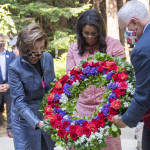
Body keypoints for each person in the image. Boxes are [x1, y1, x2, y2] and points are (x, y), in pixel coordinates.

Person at [66, 9, 125, 150]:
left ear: (101, 30)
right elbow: (70, 77)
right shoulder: (74, 48)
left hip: (106, 111)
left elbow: (123, 77)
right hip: (81, 110)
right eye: (86, 33)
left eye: (94, 33)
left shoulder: (114, 45)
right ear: (80, 32)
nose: (90, 37)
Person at [8, 24, 56, 150]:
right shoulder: (14, 68)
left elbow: (53, 88)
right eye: (34, 50)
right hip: (23, 120)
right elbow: (19, 102)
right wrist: (37, 123)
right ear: (25, 49)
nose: (39, 53)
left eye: (42, 48)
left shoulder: (47, 58)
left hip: (45, 115)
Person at [113, 1, 150, 150]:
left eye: (125, 28)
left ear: (134, 22)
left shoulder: (142, 49)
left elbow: (144, 95)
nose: (125, 33)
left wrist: (125, 120)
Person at [0, 33, 15, 137]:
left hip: (9, 87)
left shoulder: (11, 55)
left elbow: (14, 72)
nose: (1, 43)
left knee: (10, 109)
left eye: (2, 41)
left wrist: (9, 84)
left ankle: (10, 129)